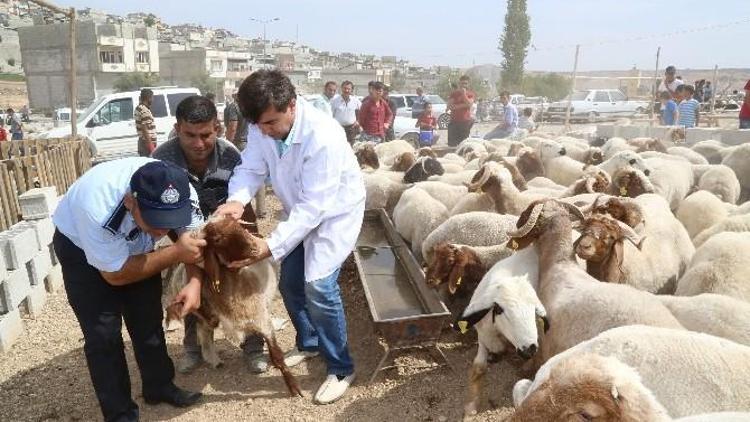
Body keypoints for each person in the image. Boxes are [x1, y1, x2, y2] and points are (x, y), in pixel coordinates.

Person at [214, 69, 365, 405]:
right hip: (299, 208)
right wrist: (237, 200)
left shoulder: (322, 135)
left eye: (271, 123)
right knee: (290, 283)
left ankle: (341, 367)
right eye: (259, 125)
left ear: (292, 106)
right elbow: (251, 168)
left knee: (320, 287)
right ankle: (309, 342)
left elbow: (315, 206)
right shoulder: (260, 127)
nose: (266, 131)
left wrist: (268, 245)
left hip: (333, 212)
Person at [52, 158, 206, 422]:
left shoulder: (183, 192)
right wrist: (176, 252)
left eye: (170, 220)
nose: (162, 230)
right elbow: (116, 274)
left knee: (147, 318)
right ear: (130, 202)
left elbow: (193, 244)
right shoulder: (97, 208)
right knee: (103, 335)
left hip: (134, 245)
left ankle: (159, 387)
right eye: (156, 220)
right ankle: (120, 414)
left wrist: (194, 283)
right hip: (81, 249)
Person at [151, 95, 274, 373]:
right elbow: (161, 211)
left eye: (205, 135)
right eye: (189, 135)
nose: (198, 144)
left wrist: (248, 245)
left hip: (228, 233)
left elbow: (244, 201)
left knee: (245, 285)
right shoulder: (160, 161)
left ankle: (253, 345)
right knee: (189, 285)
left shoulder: (230, 155)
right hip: (183, 233)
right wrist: (187, 251)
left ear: (217, 128)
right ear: (177, 128)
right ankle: (193, 347)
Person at [223, 93, 266, 217]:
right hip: (251, 142)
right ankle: (261, 209)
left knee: (239, 173)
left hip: (239, 143)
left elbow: (232, 127)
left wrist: (227, 143)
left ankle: (240, 208)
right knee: (257, 173)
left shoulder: (234, 107)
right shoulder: (251, 108)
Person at [447, 75, 476, 146]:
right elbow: (449, 106)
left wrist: (464, 94)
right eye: (462, 83)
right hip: (453, 121)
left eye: (465, 83)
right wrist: (463, 105)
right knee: (452, 145)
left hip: (465, 122)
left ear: (468, 84)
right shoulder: (454, 94)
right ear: (459, 83)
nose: (463, 85)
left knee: (463, 144)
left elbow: (469, 104)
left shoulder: (470, 94)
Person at [330, 80, 362, 145]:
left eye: (348, 89)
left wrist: (358, 121)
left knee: (351, 147)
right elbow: (330, 115)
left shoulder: (355, 100)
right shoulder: (335, 100)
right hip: (338, 129)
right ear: (341, 88)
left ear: (351, 90)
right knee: (338, 146)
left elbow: (363, 111)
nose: (346, 90)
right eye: (345, 88)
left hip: (351, 129)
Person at [135, 89, 157, 157]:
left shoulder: (139, 108)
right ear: (148, 98)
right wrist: (151, 146)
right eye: (152, 97)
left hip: (144, 143)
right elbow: (144, 129)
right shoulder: (144, 110)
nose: (153, 100)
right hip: (146, 144)